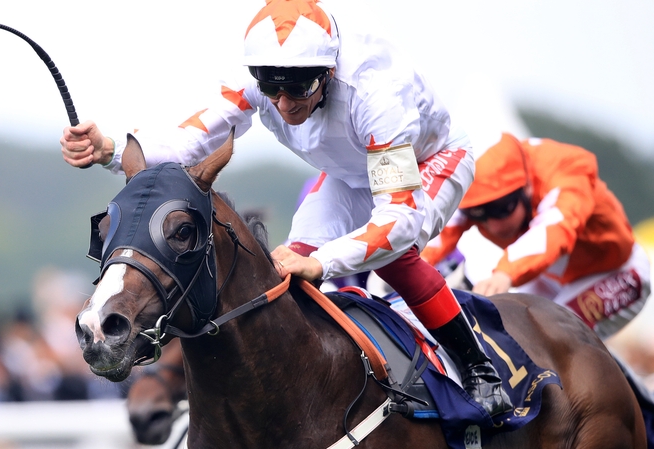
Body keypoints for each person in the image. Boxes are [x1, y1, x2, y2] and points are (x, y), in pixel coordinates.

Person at [60, 0, 511, 416]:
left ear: (329, 72)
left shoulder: (378, 96)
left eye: (297, 88)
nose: (282, 103)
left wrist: (322, 261)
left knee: (393, 256)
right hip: (349, 173)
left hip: (429, 161)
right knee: (283, 269)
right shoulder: (259, 83)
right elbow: (189, 141)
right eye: (270, 88)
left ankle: (477, 369)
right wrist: (110, 149)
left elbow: (398, 223)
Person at [422, 132, 650, 341]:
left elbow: (554, 228)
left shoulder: (567, 169)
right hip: (546, 276)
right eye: (478, 215)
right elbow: (439, 232)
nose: (493, 225)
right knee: (506, 335)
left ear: (527, 187)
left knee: (546, 335)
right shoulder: (484, 188)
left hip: (617, 272)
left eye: (501, 209)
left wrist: (504, 274)